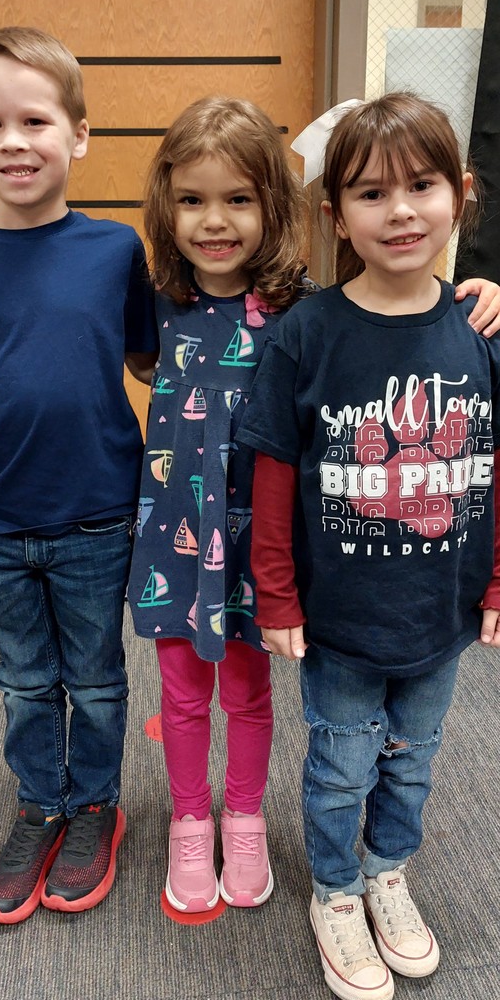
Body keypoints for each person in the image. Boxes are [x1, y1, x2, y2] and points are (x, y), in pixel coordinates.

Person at [125, 94, 499, 918]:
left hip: (269, 544)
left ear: (279, 206)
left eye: (238, 199)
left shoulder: (299, 311)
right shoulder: (155, 298)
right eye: (191, 200)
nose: (214, 221)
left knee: (251, 693)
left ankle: (247, 818)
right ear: (166, 207)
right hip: (176, 545)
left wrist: (484, 286)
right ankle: (193, 820)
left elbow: (393, 304)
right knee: (183, 692)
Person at [237, 91, 500, 1000]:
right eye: (370, 192)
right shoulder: (306, 334)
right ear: (333, 214)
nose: (399, 211)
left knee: (416, 762)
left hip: (442, 614)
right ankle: (337, 892)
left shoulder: (480, 326)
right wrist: (275, 596)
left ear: (460, 195)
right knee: (341, 764)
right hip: (341, 621)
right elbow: (272, 474)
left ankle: (389, 872)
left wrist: (498, 581)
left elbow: (495, 465)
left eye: (422, 186)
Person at [0, 26, 158, 925]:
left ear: (80, 135)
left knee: (96, 679)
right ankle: (40, 805)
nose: (14, 141)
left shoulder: (115, 253)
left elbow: (154, 362)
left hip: (98, 514)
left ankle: (96, 805)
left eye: (35, 119)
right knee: (24, 680)